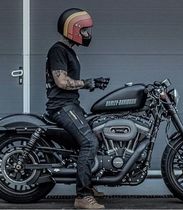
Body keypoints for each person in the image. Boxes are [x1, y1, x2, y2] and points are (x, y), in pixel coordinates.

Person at [45, 8, 109, 209]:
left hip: (71, 105)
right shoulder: (58, 50)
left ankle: (88, 186)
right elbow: (62, 81)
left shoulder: (69, 51)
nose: (88, 35)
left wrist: (93, 83)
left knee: (97, 134)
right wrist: (88, 82)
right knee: (89, 143)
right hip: (61, 106)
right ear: (73, 29)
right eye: (84, 31)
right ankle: (82, 196)